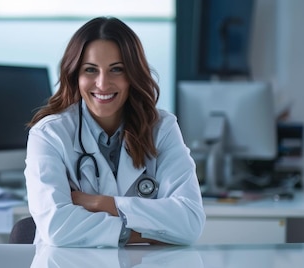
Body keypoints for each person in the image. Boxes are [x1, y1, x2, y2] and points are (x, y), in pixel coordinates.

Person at [24, 16, 206, 247]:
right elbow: (57, 229)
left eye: (117, 69)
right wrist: (145, 233)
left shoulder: (161, 128)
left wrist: (101, 203)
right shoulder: (49, 134)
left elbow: (189, 222)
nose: (102, 83)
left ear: (132, 75)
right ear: (75, 76)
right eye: (90, 70)